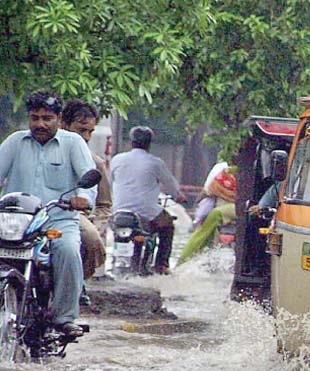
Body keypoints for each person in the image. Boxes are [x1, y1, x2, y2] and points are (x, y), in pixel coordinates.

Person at [0, 89, 97, 338]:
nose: (40, 124)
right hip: (16, 222)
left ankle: (64, 317)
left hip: (58, 220)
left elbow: (89, 179)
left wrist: (82, 199)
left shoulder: (73, 143)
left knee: (67, 250)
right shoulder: (15, 142)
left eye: (47, 118)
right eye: (35, 118)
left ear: (58, 119)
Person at [109, 126, 184, 275]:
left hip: (118, 211)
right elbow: (171, 185)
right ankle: (161, 265)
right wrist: (179, 196)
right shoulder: (155, 163)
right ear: (149, 143)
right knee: (168, 224)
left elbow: (111, 180)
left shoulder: (117, 159)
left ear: (131, 142)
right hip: (147, 213)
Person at [61, 99, 113, 289]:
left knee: (91, 241)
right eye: (81, 130)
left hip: (74, 218)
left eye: (90, 131)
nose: (87, 137)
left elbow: (104, 206)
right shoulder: (40, 150)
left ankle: (76, 284)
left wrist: (91, 219)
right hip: (38, 213)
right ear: (63, 124)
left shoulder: (96, 163)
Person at [178, 165, 238, 265]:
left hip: (234, 209)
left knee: (203, 229)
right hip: (224, 209)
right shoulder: (225, 170)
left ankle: (182, 261)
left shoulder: (224, 170)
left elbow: (208, 190)